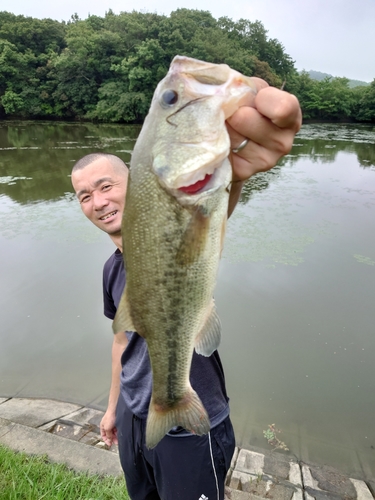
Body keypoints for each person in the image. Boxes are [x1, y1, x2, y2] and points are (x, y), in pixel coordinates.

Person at [71, 80, 302, 500]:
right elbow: (121, 342)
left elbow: (201, 219)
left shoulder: (173, 234)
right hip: (136, 412)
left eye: (105, 186)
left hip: (191, 421)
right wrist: (112, 408)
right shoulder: (110, 269)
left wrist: (229, 175)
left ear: (138, 178)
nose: (97, 201)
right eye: (84, 196)